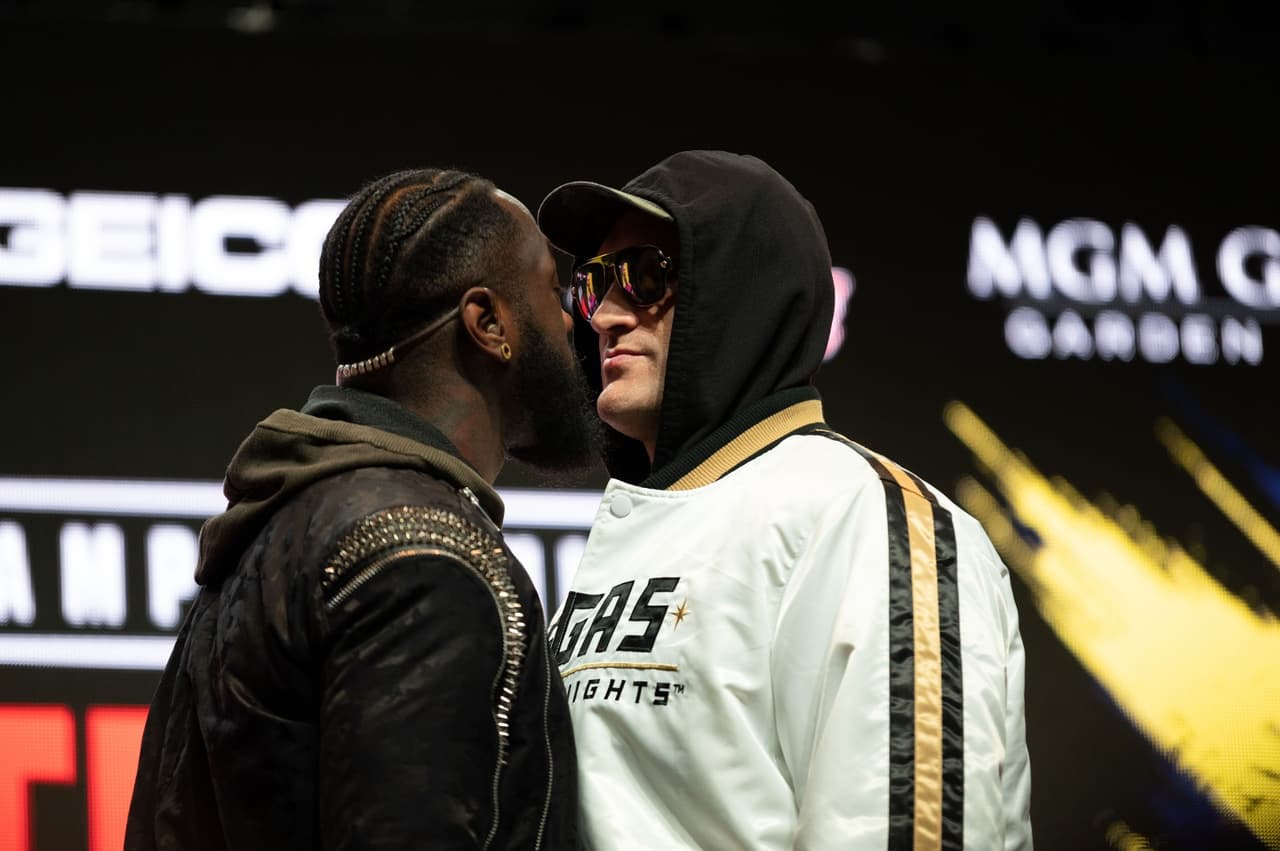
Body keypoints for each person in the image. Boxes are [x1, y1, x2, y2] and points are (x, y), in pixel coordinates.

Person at [536, 149, 1033, 850]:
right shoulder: (636, 522)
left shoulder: (862, 516)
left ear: (741, 292)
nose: (605, 315)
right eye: (594, 283)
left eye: (646, 275)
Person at [125, 167, 596, 850]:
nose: (572, 320)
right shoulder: (426, 562)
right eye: (554, 291)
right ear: (489, 323)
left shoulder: (272, 522)